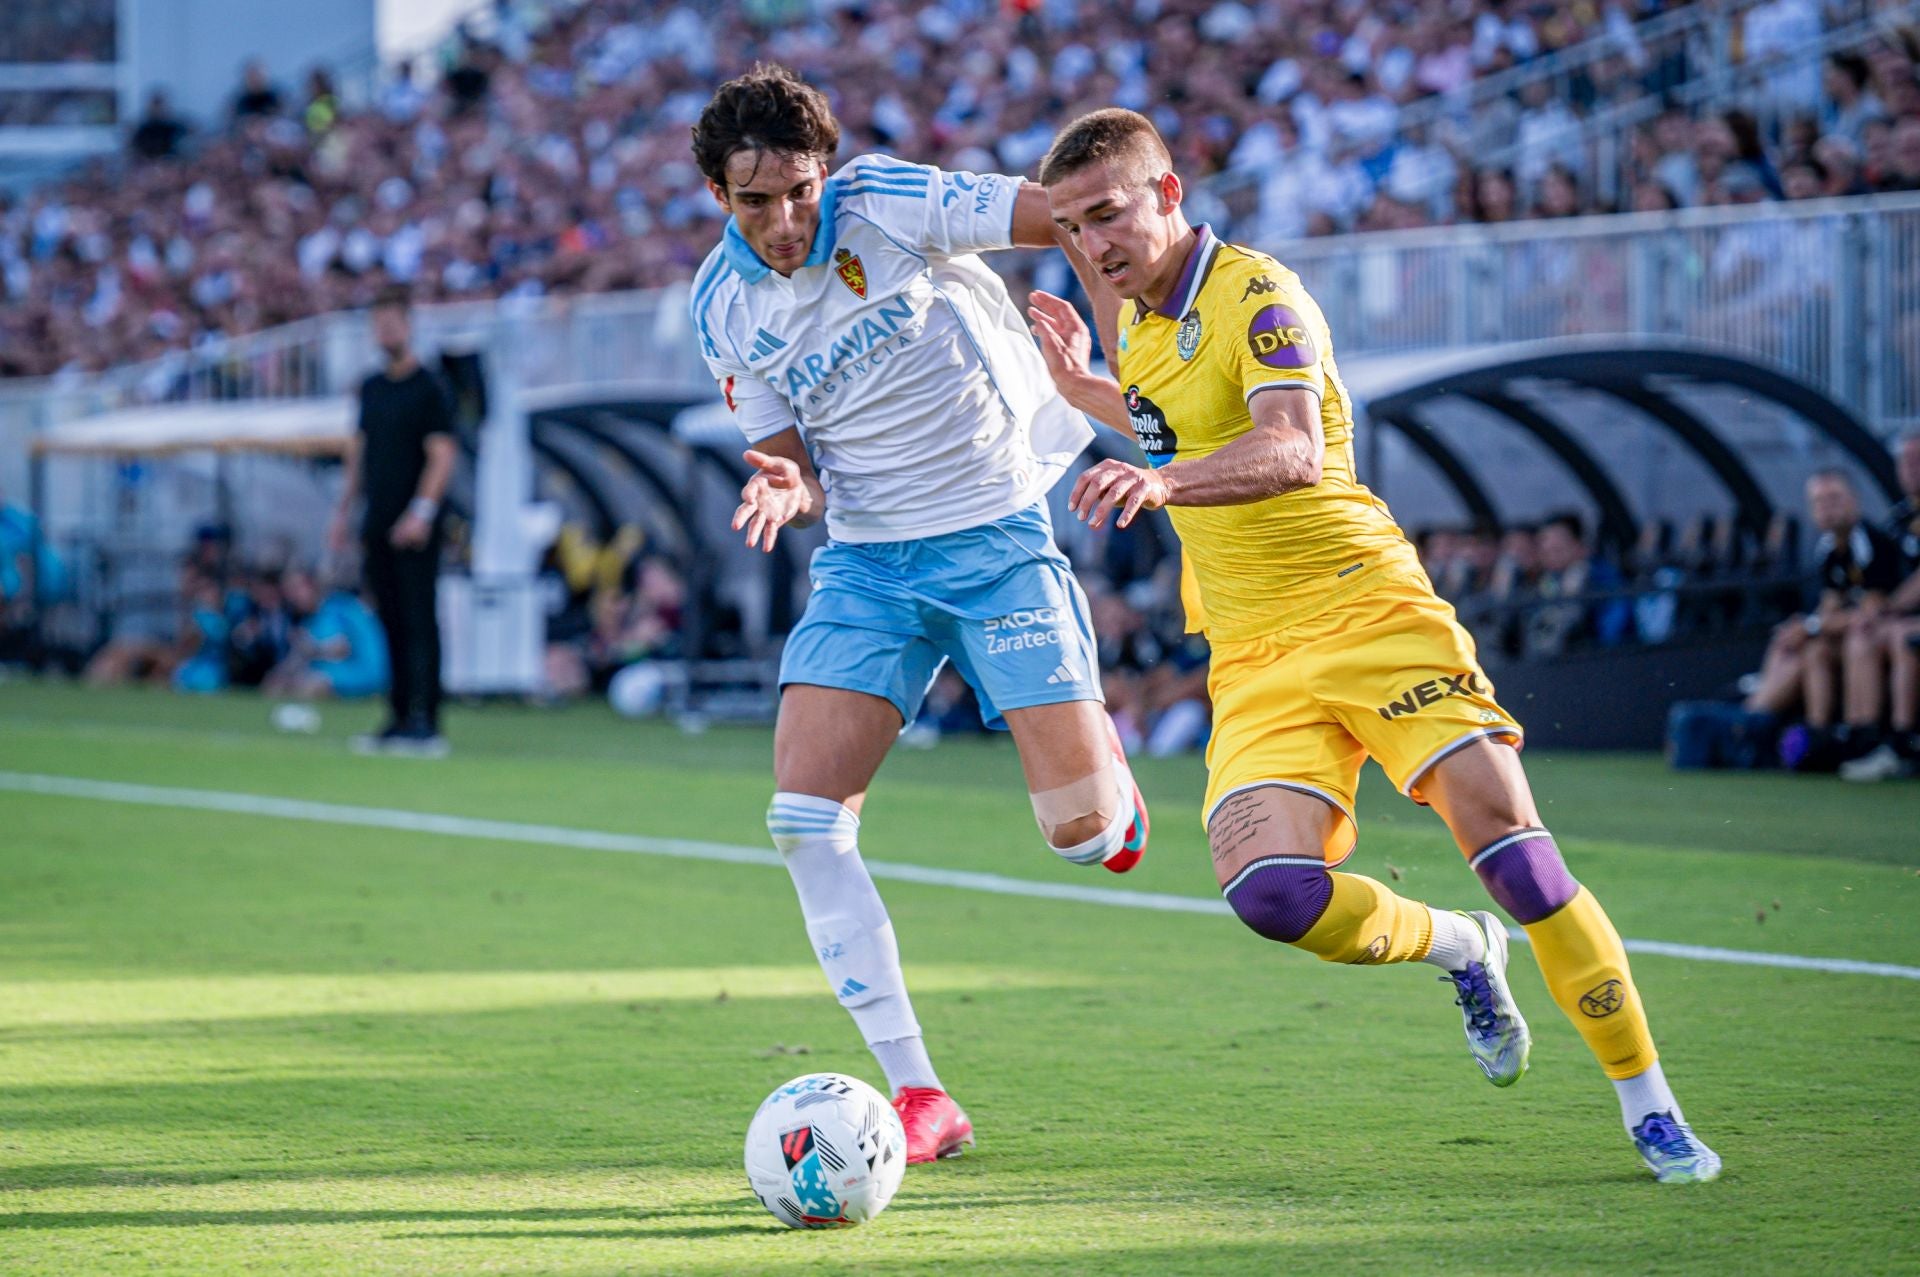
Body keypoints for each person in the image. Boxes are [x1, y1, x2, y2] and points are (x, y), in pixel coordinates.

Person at [1028, 108, 1720, 1184]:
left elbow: (1290, 446)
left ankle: (1650, 1103)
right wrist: (1088, 395)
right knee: (1272, 896)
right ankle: (1458, 948)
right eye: (1070, 228)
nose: (1093, 246)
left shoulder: (1257, 293)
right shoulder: (1131, 317)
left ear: (1167, 194)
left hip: (1366, 611)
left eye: (1108, 215)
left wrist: (1160, 481)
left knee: (1519, 855)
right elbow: (1176, 420)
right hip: (1252, 651)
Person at [688, 64, 1150, 1164]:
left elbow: (1070, 218)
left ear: (825, 173)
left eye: (802, 189)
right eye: (759, 200)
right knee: (803, 821)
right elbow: (790, 460)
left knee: (1084, 839)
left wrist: (1123, 340)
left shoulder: (893, 201)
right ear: (719, 196)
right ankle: (920, 1093)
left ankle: (1110, 798)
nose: (788, 217)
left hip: (996, 536)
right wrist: (777, 486)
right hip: (868, 567)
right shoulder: (721, 306)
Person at [329, 286, 456, 756]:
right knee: (389, 620)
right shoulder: (371, 387)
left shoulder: (430, 387)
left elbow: (442, 454)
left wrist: (421, 512)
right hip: (377, 519)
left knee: (420, 618)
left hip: (414, 523)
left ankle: (428, 719)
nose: (386, 332)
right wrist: (343, 512)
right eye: (378, 325)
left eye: (392, 323)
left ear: (408, 325)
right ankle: (399, 715)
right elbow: (359, 452)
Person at [1747, 469, 1906, 769]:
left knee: (1859, 637)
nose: (1827, 508)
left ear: (1854, 500)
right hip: (1851, 635)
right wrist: (1804, 629)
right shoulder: (1827, 549)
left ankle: (1864, 739)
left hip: (1886, 633)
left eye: (1834, 498)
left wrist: (1813, 626)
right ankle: (1817, 737)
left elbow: (1871, 612)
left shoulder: (1872, 542)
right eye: (1818, 502)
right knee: (1807, 646)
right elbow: (1829, 607)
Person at [1841, 433, 1920, 781]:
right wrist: (1872, 608)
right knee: (1862, 636)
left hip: (1907, 622)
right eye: (1906, 461)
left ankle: (1903, 744)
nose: (1912, 468)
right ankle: (1866, 740)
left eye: (1918, 460)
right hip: (1902, 618)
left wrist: (1888, 607)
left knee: (1903, 637)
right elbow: (1878, 581)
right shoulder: (1898, 519)